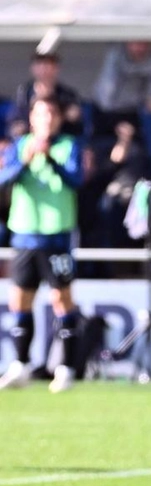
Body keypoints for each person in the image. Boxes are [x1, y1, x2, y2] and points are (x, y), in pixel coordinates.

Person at [0, 97, 84, 393]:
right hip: (24, 234)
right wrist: (26, 160)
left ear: (58, 118)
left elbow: (76, 180)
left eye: (51, 113)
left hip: (56, 234)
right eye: (41, 114)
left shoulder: (68, 146)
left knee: (61, 299)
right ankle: (21, 364)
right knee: (20, 300)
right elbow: (3, 180)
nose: (46, 119)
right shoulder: (19, 146)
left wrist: (48, 159)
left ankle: (66, 368)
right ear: (33, 119)